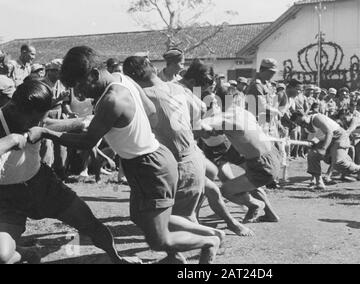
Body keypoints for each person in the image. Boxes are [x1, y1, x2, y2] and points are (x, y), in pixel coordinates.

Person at [28, 47, 221, 264]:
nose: (79, 94)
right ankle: (182, 254)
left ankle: (208, 241)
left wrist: (46, 132)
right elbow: (151, 111)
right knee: (139, 216)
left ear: (93, 75)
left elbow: (87, 141)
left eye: (80, 87)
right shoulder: (121, 79)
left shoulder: (112, 100)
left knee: (159, 241)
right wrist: (132, 131)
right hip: (145, 161)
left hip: (150, 167)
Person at [0, 79, 139, 264]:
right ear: (16, 108)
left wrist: (80, 122)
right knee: (3, 256)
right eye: (34, 119)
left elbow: (48, 123)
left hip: (44, 186)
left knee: (90, 224)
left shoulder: (36, 117)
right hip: (9, 198)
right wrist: (9, 141)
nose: (37, 123)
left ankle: (118, 259)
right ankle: (29, 254)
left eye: (41, 118)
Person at [123, 56, 253, 237]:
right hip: (188, 155)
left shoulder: (146, 95)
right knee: (211, 189)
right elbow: (197, 110)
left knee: (178, 214)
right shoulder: (175, 88)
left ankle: (211, 233)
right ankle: (228, 224)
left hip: (177, 158)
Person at [201, 93, 281, 224]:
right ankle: (270, 214)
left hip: (261, 164)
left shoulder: (223, 120)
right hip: (270, 154)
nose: (214, 105)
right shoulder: (242, 112)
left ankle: (254, 205)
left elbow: (205, 125)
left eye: (214, 103)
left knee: (226, 190)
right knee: (244, 184)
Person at [290, 110, 360, 190]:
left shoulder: (316, 118)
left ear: (306, 115)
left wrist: (324, 149)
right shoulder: (305, 127)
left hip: (338, 136)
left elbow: (329, 132)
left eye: (302, 121)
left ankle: (359, 169)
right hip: (324, 139)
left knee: (338, 163)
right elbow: (305, 139)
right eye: (299, 124)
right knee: (312, 154)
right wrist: (310, 143)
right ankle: (318, 182)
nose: (303, 125)